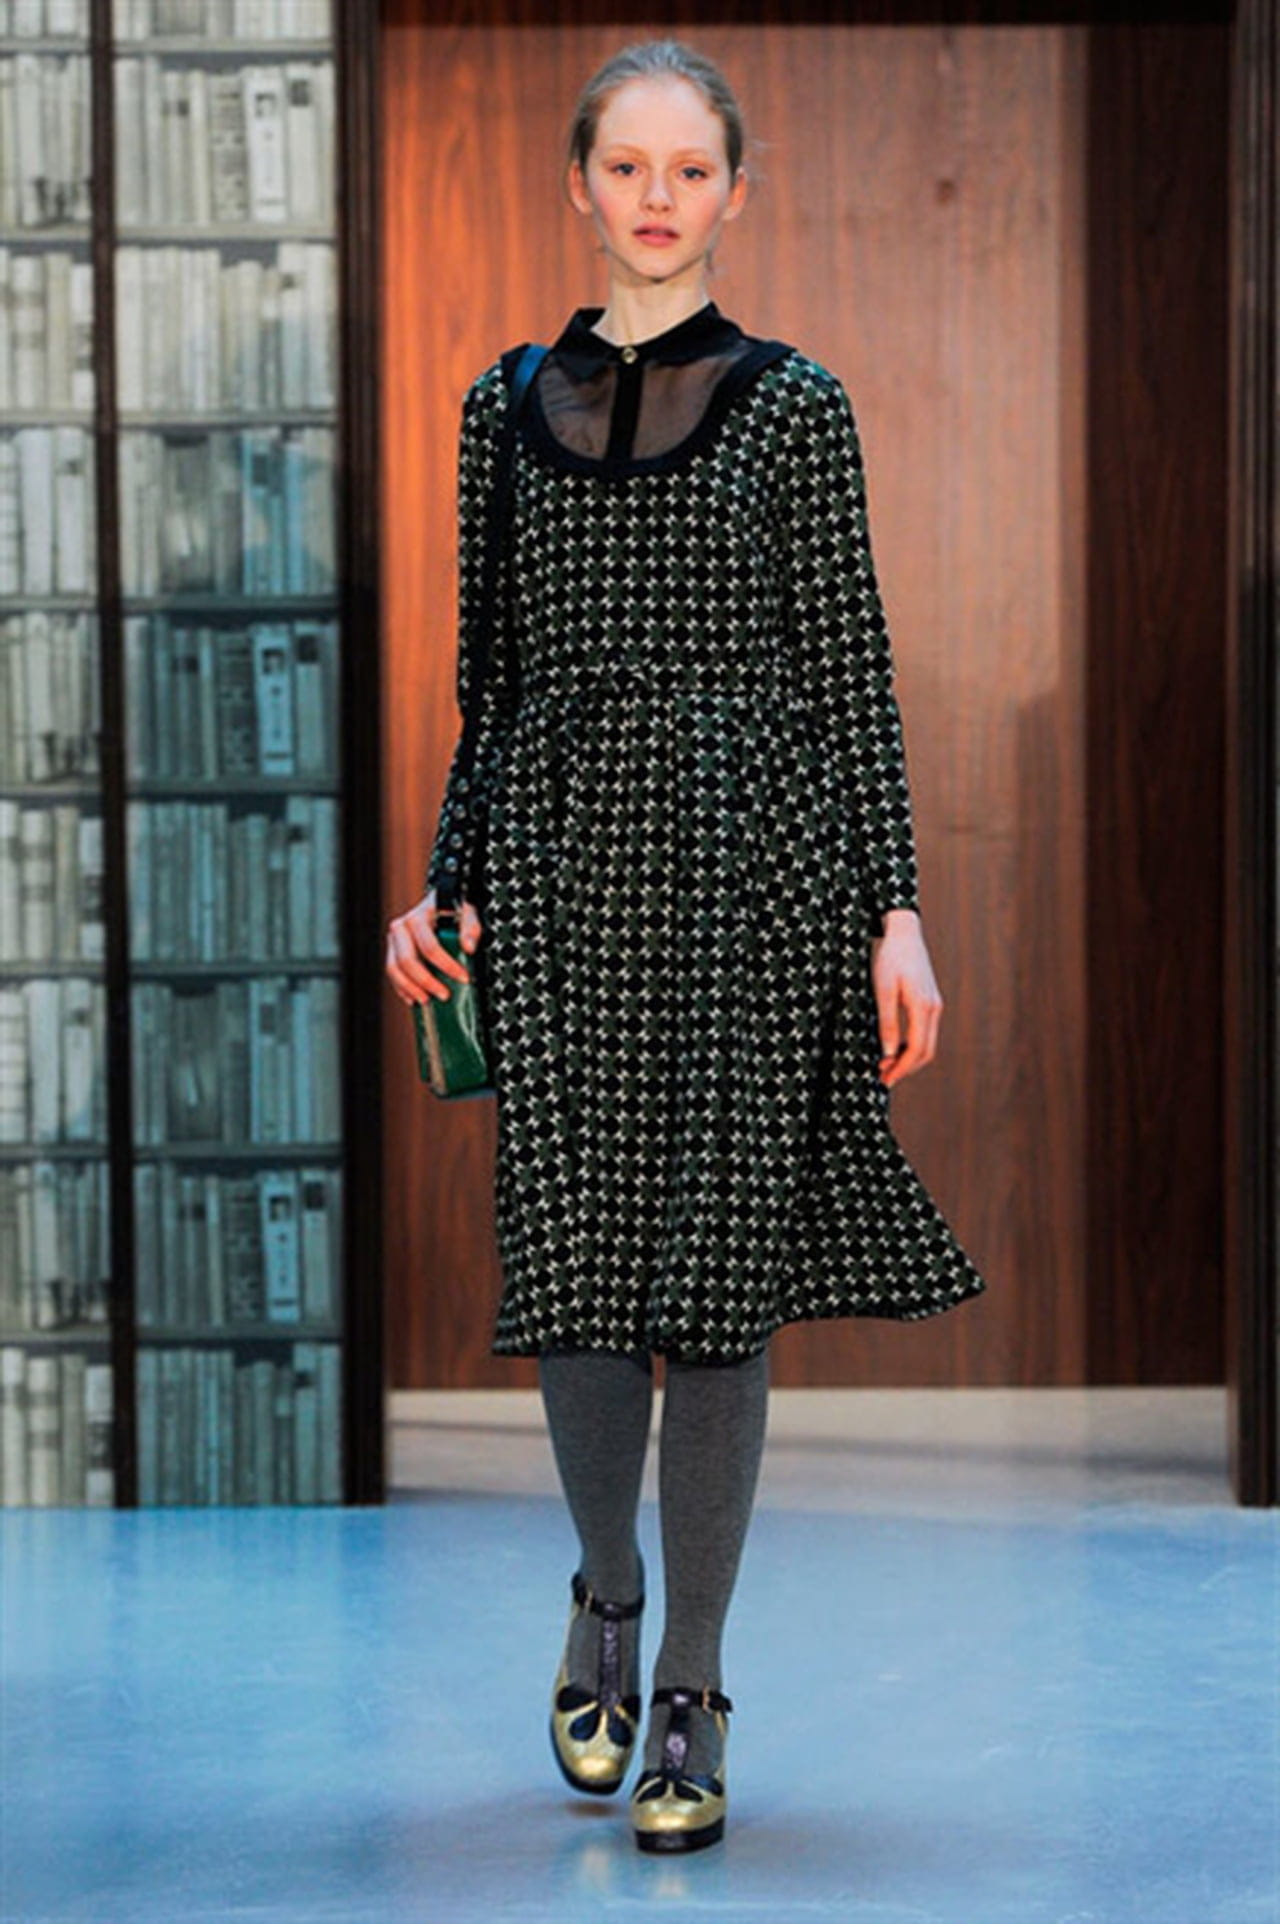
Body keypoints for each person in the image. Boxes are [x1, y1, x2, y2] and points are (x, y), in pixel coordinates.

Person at [385, 38, 988, 1855]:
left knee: (716, 1284)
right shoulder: (499, 406)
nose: (657, 198)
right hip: (558, 869)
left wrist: (896, 908)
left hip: (755, 876)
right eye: (627, 165)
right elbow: (491, 683)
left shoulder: (797, 406)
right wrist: (446, 881)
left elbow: (852, 674)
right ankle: (606, 1591)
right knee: (579, 1270)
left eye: (690, 168)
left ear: (735, 189)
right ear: (579, 182)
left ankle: (695, 1689)